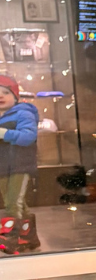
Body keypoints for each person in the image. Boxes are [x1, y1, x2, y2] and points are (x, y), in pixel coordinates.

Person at [0, 74, 40, 256]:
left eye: (5, 92)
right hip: (2, 167)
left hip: (19, 165)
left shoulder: (23, 113)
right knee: (15, 200)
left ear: (15, 96)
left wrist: (5, 134)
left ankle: (10, 238)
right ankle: (28, 236)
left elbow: (28, 137)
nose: (1, 96)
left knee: (12, 201)